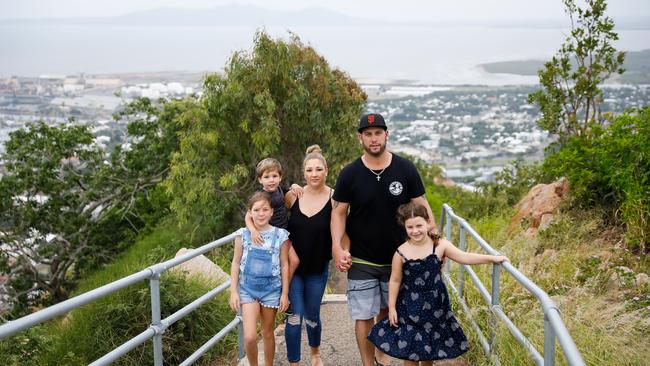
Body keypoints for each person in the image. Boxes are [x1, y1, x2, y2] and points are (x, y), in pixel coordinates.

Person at [331, 113, 437, 366]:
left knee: (391, 312)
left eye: (378, 133)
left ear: (386, 134)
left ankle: (386, 355)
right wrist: (336, 247)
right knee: (363, 316)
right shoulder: (350, 174)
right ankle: (370, 364)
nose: (373, 138)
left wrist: (433, 246)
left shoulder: (405, 168)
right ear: (360, 138)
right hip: (361, 258)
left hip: (400, 260)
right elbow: (338, 212)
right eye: (368, 134)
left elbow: (422, 207)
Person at [367, 202, 509, 365]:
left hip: (435, 307)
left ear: (428, 222)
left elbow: (464, 257)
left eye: (419, 225)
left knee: (430, 351)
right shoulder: (401, 252)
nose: (415, 231)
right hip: (409, 307)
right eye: (410, 227)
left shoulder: (440, 245)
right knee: (410, 353)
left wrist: (492, 258)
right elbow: (395, 280)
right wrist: (391, 308)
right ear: (404, 227)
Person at [284, 145, 334, 366]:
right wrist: (289, 186)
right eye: (310, 170)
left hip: (318, 268)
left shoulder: (335, 198)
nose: (314, 174)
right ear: (303, 173)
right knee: (294, 317)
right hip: (293, 269)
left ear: (326, 171)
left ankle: (315, 353)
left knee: (312, 315)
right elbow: (269, 200)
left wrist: (344, 253)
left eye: (318, 169)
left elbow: (344, 230)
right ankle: (294, 362)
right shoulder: (292, 197)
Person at [229, 191, 290, 366]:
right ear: (250, 212)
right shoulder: (242, 235)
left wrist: (284, 293)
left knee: (268, 333)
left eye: (265, 209)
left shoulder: (281, 235)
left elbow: (285, 264)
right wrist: (233, 291)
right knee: (249, 336)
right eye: (256, 210)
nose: (261, 213)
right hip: (248, 289)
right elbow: (235, 263)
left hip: (271, 290)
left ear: (271, 212)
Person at [245, 158, 300, 279]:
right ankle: (273, 288)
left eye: (274, 176)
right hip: (269, 237)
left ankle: (283, 287)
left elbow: (289, 190)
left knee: (294, 261)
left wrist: (294, 186)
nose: (271, 180)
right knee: (271, 265)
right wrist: (253, 231)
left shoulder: (280, 190)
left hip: (283, 235)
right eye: (267, 177)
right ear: (260, 179)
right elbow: (248, 217)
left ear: (280, 177)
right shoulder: (260, 196)